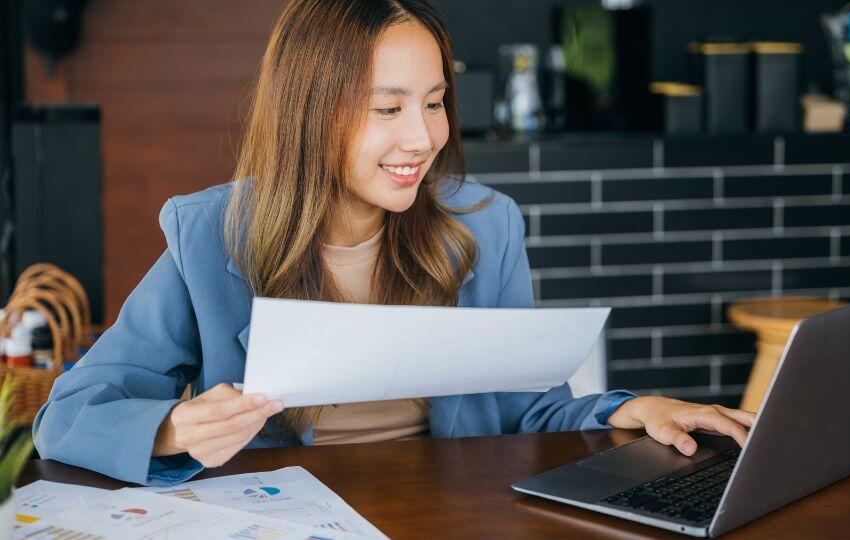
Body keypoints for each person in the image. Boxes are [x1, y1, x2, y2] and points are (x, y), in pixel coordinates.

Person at [33, 0, 754, 486]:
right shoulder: (210, 235)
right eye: (389, 108)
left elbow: (528, 411)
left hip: (450, 513)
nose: (423, 138)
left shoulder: (486, 223)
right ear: (310, 114)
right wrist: (173, 427)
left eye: (435, 103)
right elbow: (67, 416)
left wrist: (631, 409)